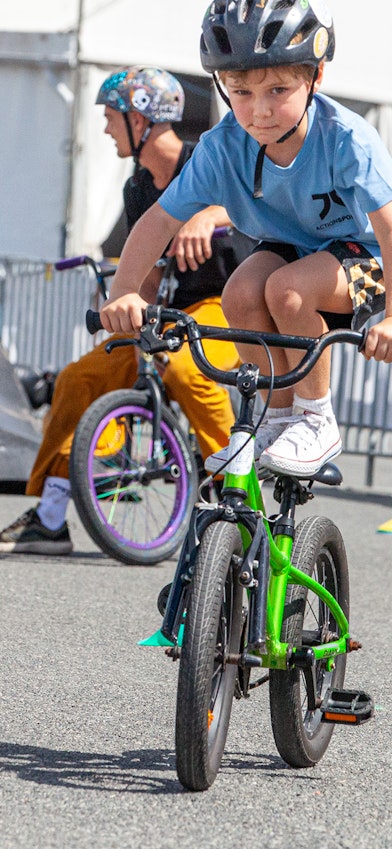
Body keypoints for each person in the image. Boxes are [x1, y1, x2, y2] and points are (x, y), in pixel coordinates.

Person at [97, 0, 392, 480]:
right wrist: (122, 291)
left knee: (288, 291)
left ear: (315, 77)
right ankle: (277, 418)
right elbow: (160, 218)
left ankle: (316, 420)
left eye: (278, 90)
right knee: (241, 294)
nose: (260, 110)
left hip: (369, 251)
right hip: (295, 243)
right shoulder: (223, 145)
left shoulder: (346, 139)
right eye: (241, 93)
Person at [0, 66, 243, 555]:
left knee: (185, 369)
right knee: (78, 377)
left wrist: (208, 215)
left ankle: (235, 488)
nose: (107, 129)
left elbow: (253, 204)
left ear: (143, 119)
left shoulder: (204, 161)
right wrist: (122, 301)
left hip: (226, 304)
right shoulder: (137, 188)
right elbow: (149, 271)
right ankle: (49, 518)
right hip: (171, 312)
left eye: (112, 117)